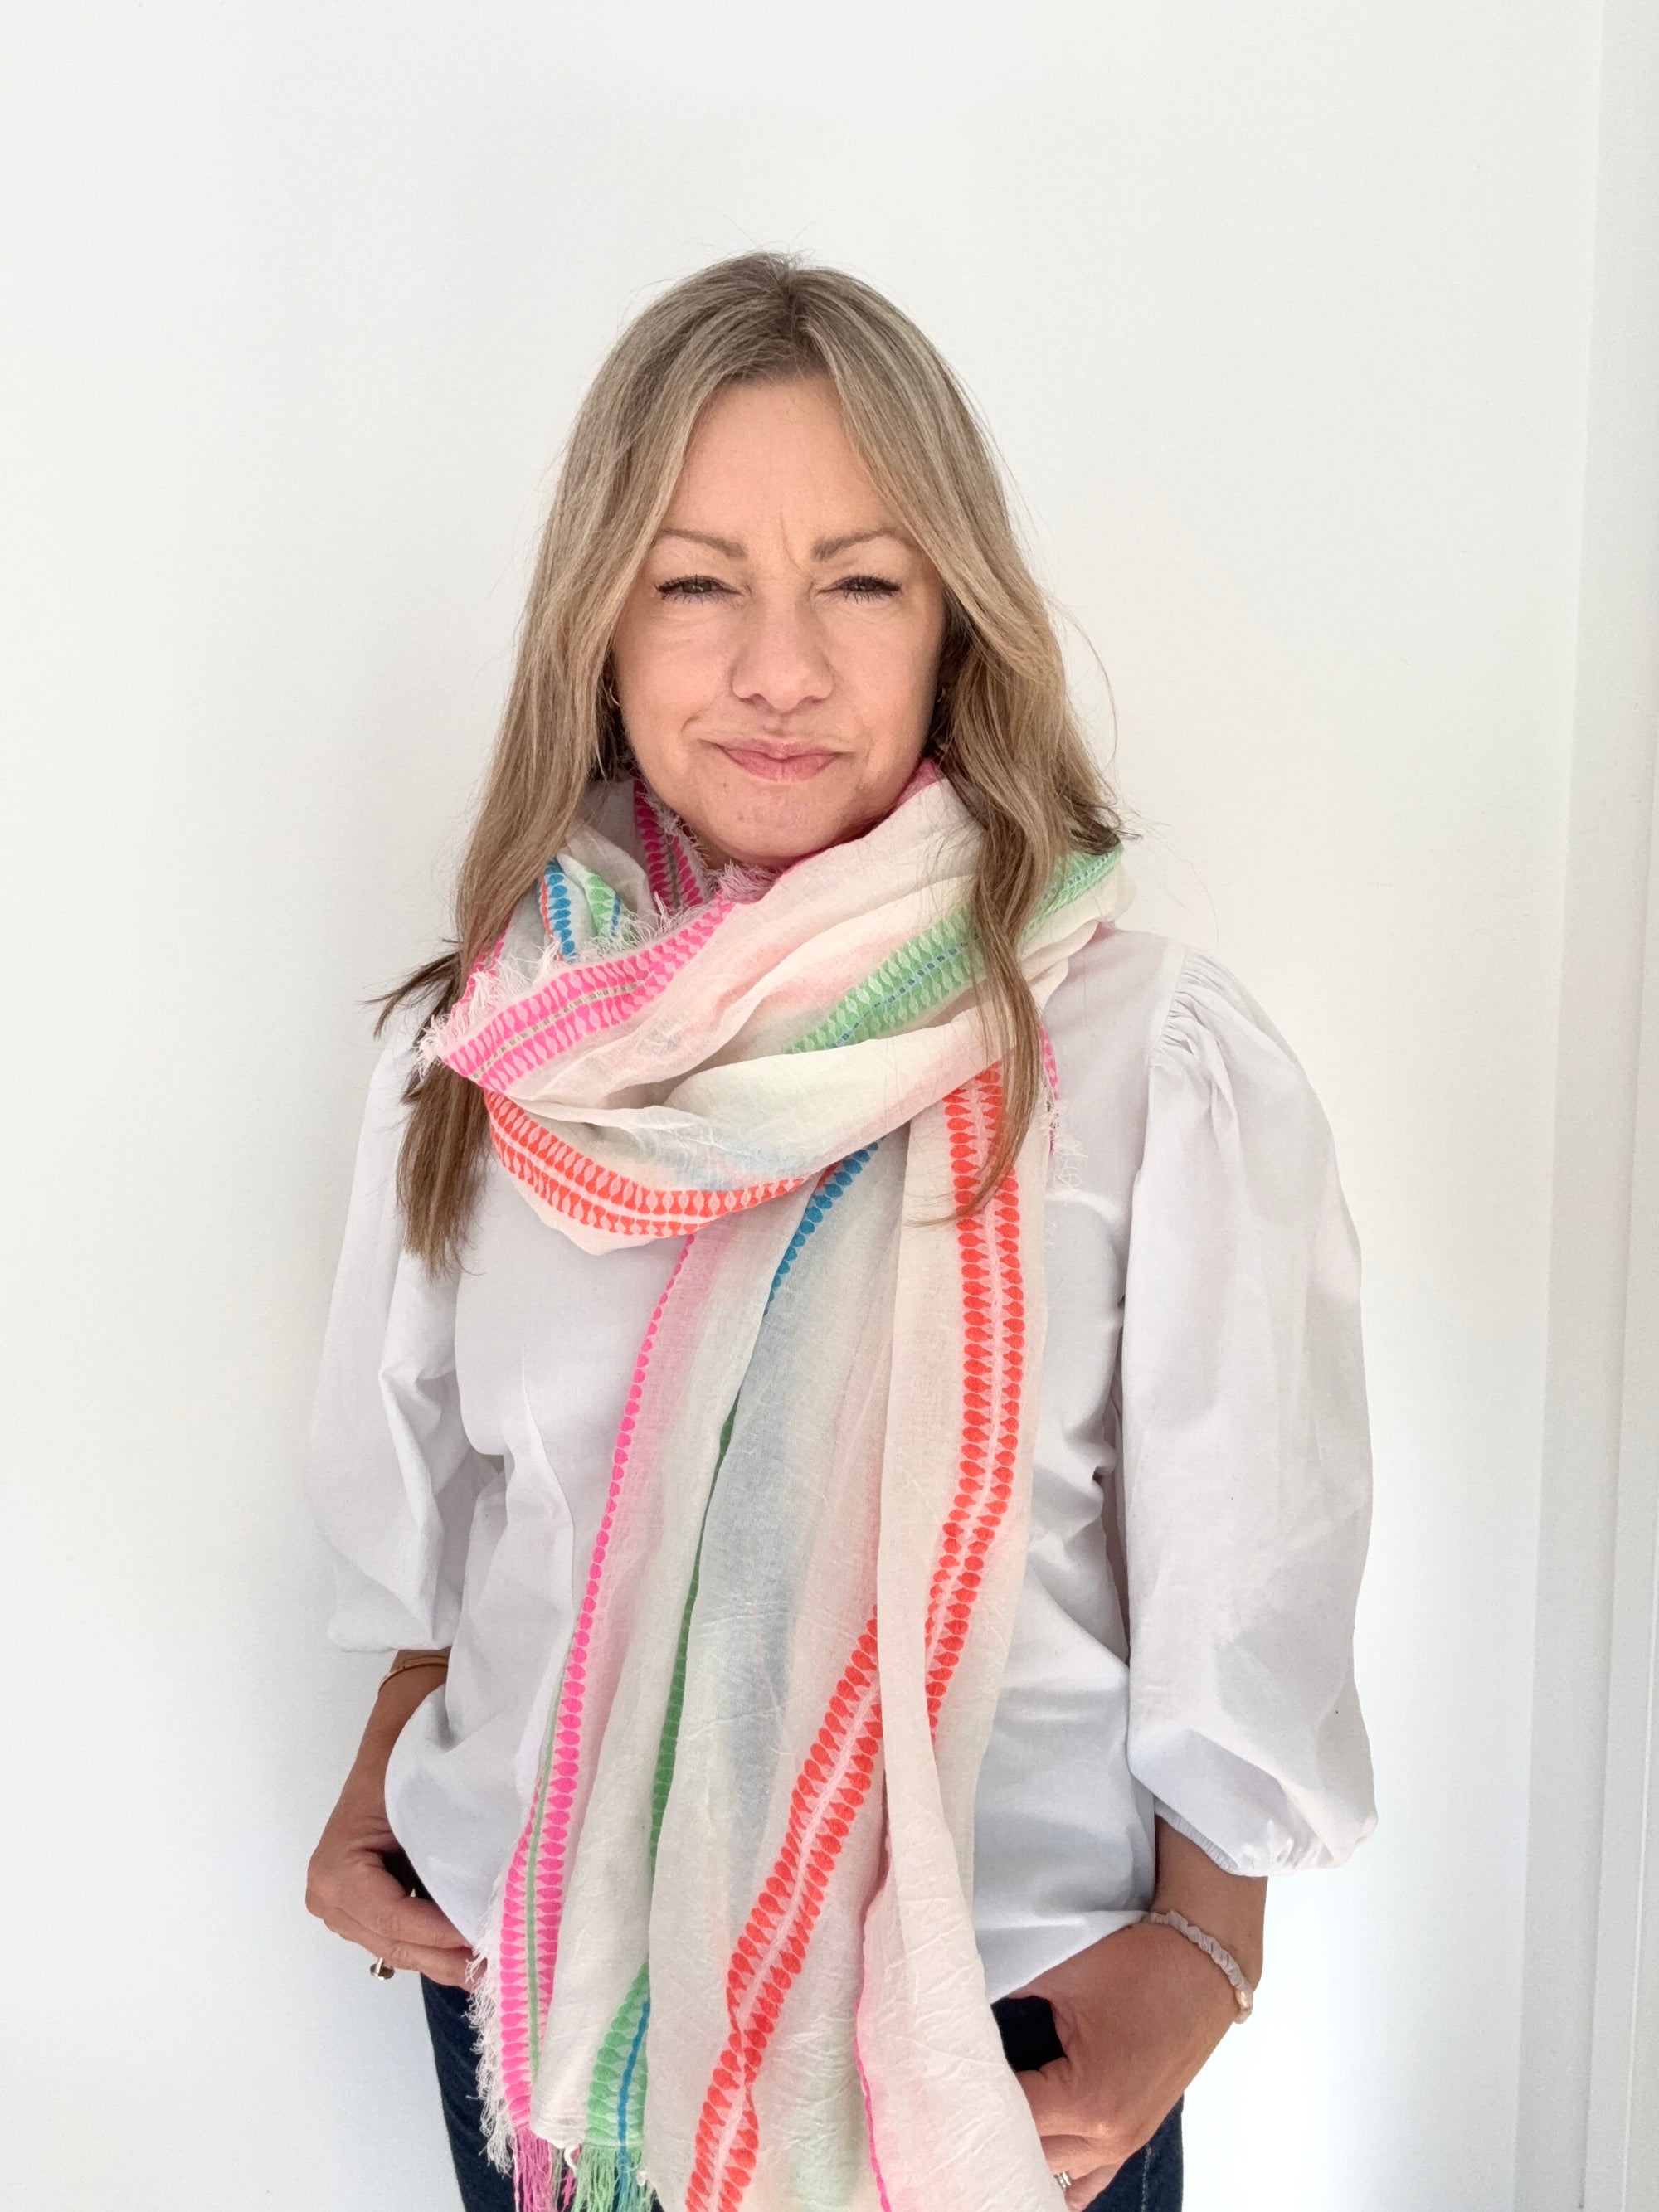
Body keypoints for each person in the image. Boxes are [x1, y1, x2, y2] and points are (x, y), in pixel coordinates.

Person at [304, 250, 1376, 2212]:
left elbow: (1247, 1563)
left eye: (861, 582)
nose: (777, 665)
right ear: (600, 627)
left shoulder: (1145, 1056)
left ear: (955, 621)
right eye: (695, 579)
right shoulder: (485, 1050)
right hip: (544, 2019)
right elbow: (460, 1511)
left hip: (999, 2041)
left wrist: (1208, 1958)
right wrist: (388, 1764)